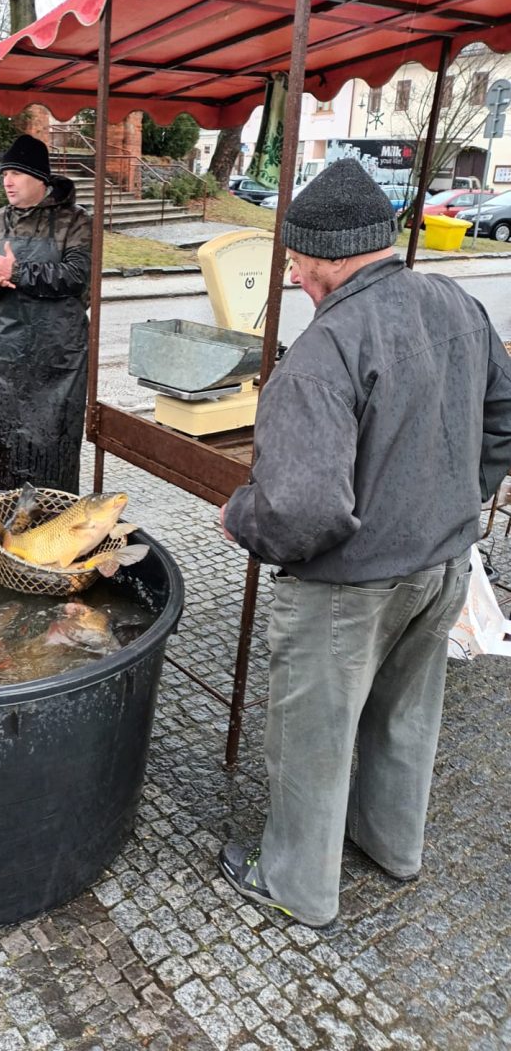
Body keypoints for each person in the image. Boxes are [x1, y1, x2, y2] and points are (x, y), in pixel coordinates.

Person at [217, 159, 511, 928]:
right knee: (404, 716)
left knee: (311, 739)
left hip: (348, 586)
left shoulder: (322, 351)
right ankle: (391, 846)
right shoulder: (456, 303)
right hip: (444, 565)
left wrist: (241, 516)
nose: (293, 276)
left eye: (297, 261)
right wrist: (453, 499)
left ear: (331, 256)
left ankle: (296, 885)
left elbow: (301, 511)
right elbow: (503, 418)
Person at [0, 134, 92, 494]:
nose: (8, 181)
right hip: (2, 356)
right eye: (5, 174)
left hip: (57, 359)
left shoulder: (75, 221)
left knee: (50, 447)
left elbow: (77, 276)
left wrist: (17, 272)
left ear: (40, 179)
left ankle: (51, 516)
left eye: (17, 173)